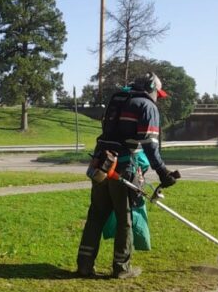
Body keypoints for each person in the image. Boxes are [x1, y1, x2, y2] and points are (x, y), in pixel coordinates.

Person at [77, 72, 179, 279]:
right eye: (157, 93)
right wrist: (162, 172)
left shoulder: (118, 99)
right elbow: (150, 145)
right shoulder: (147, 106)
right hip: (122, 167)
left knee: (96, 215)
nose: (157, 97)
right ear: (151, 89)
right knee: (125, 219)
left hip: (101, 164)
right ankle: (122, 268)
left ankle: (84, 265)